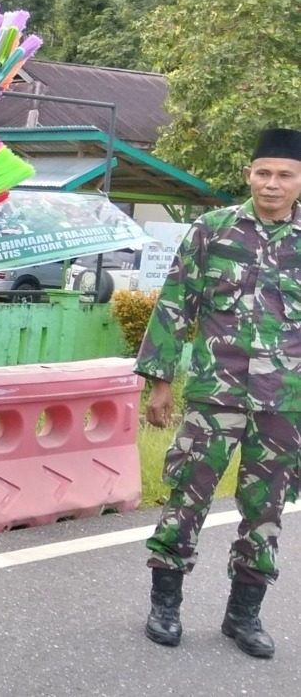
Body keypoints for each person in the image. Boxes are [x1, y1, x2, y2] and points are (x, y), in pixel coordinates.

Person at [136, 127, 301, 660]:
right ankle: (165, 604)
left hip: (285, 402)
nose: (272, 184)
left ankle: (243, 614)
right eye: (263, 173)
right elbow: (175, 303)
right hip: (214, 395)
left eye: (284, 175)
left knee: (265, 510)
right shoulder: (213, 230)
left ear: (300, 181)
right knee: (187, 496)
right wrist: (161, 382)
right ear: (249, 175)